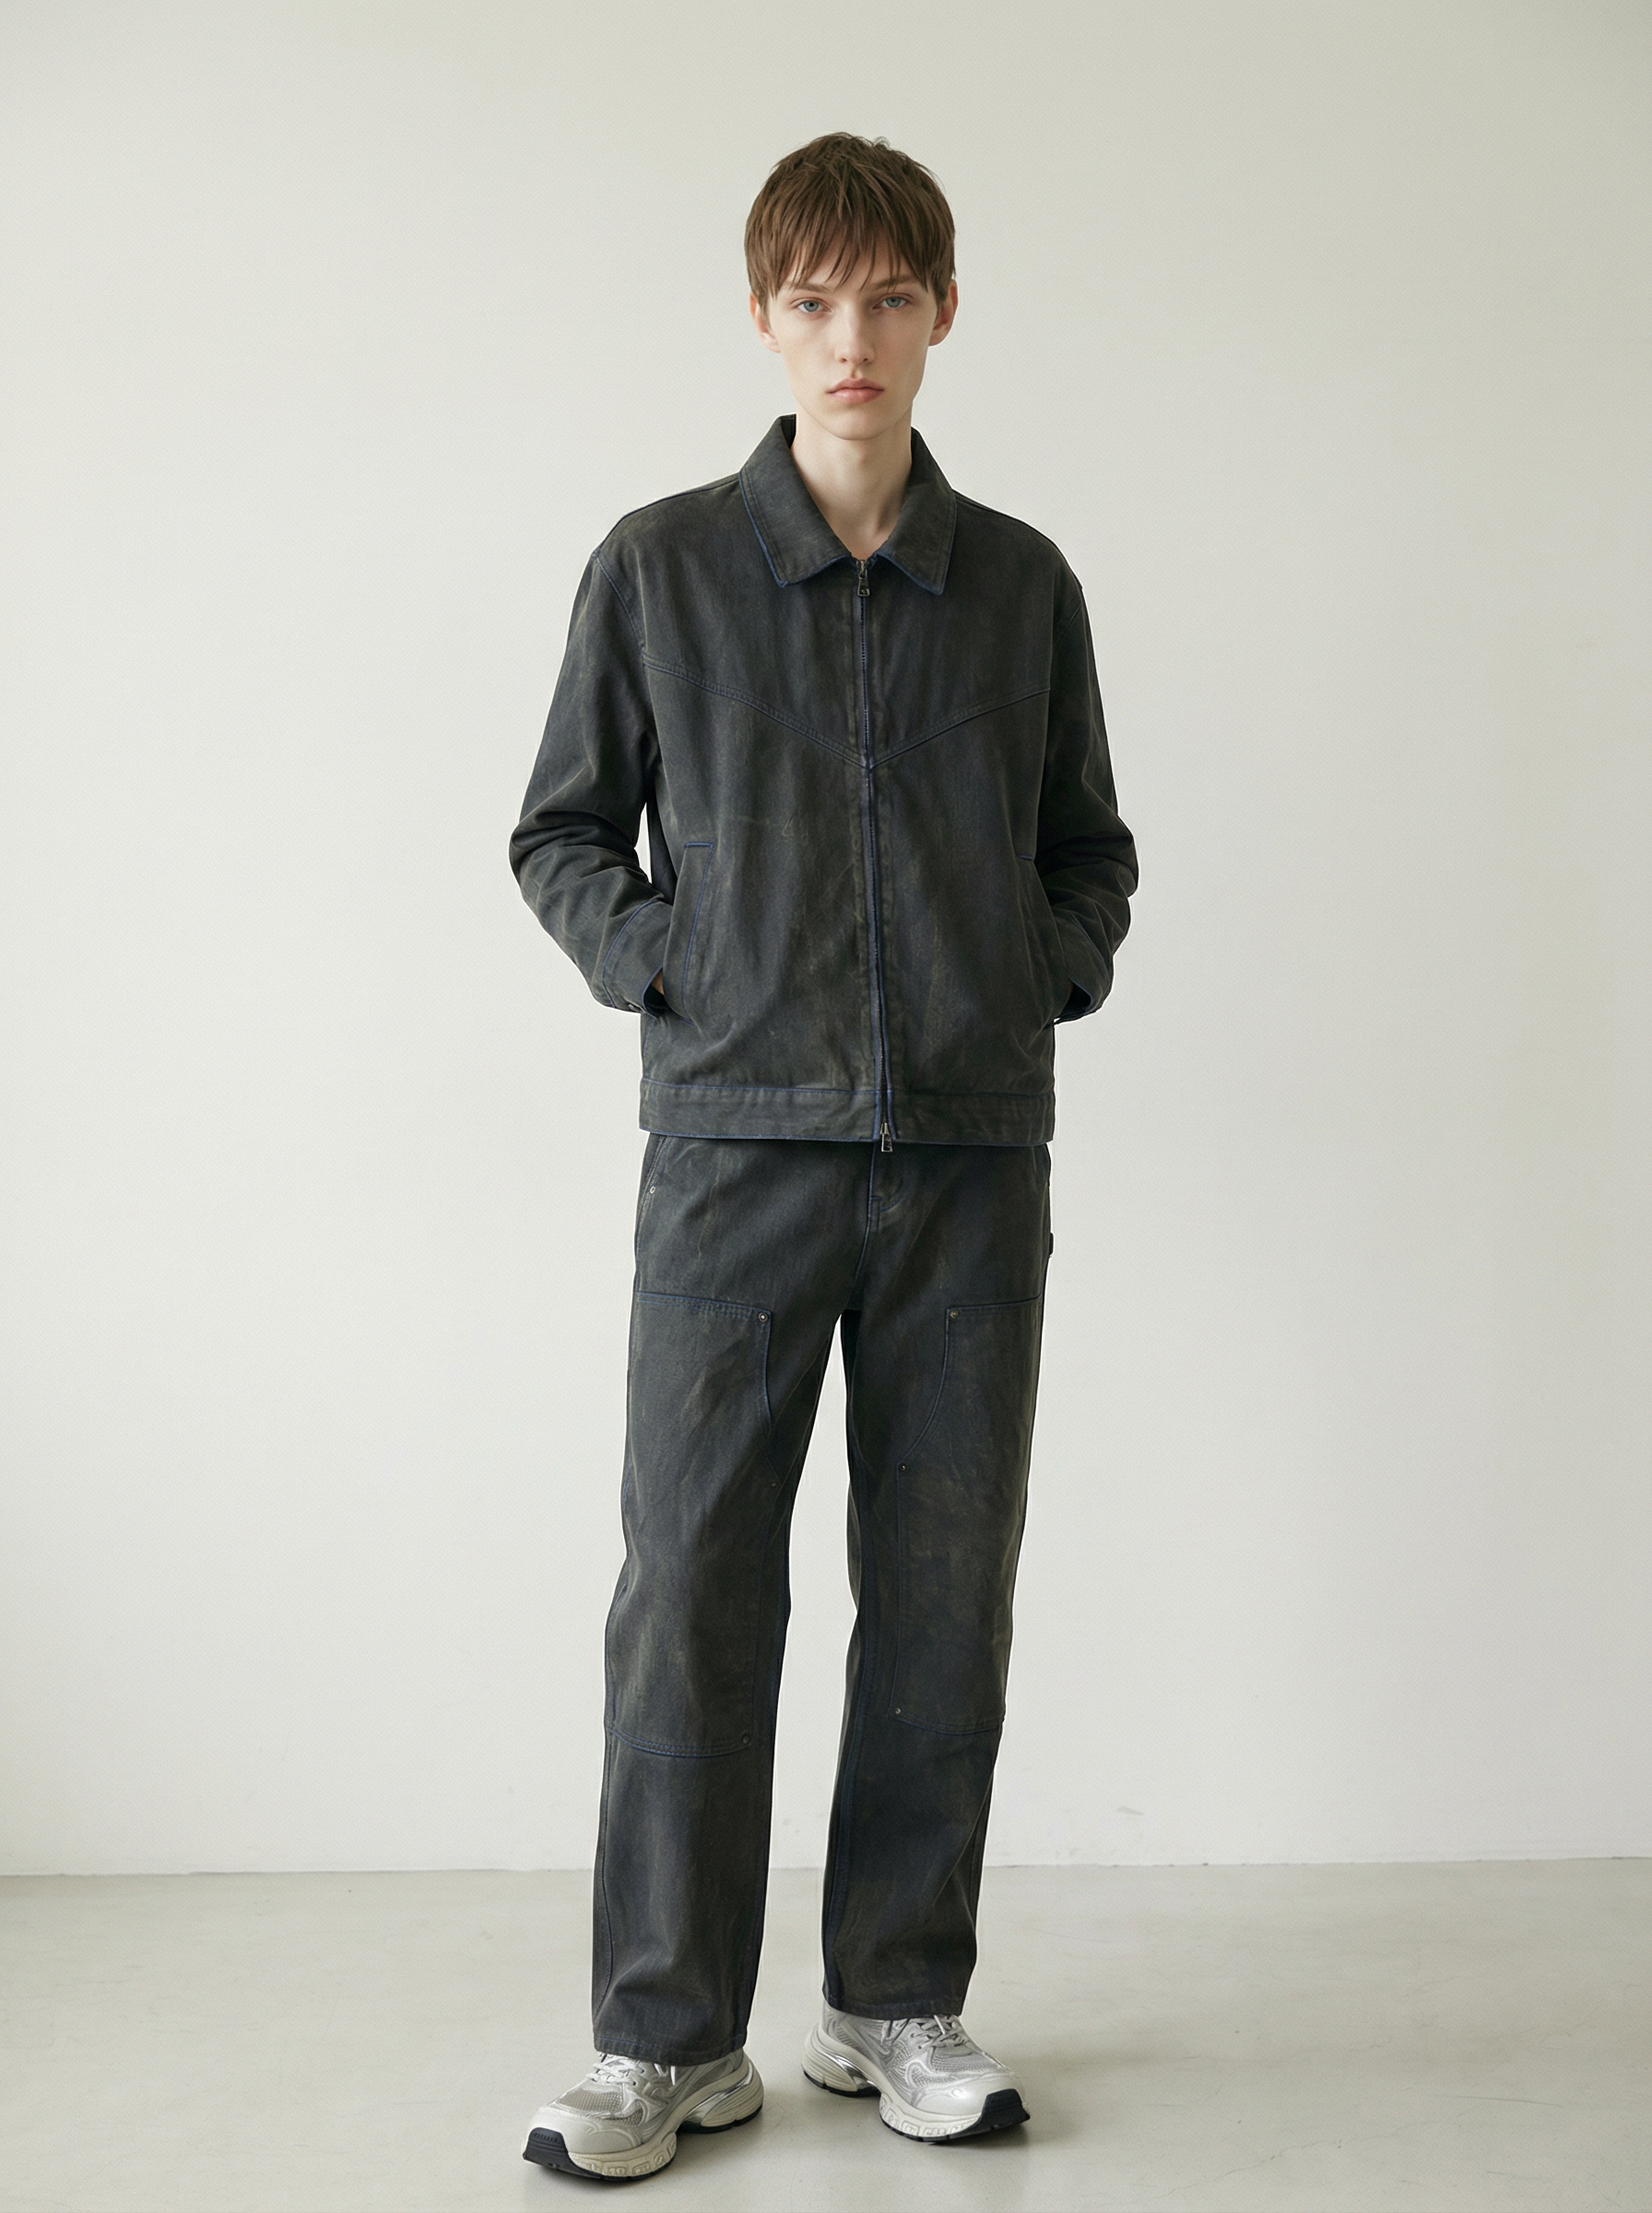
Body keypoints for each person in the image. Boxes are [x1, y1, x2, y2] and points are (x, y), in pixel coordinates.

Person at [510, 131, 1137, 2183]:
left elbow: (1088, 852)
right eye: (811, 300)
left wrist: (1033, 973)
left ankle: (892, 2002)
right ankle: (662, 2040)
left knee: (942, 1594)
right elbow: (560, 832)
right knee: (693, 1592)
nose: (850, 335)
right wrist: (671, 966)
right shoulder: (661, 568)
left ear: (942, 312)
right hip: (732, 1159)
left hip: (968, 1159)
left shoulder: (1021, 584)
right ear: (763, 319)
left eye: (887, 297)